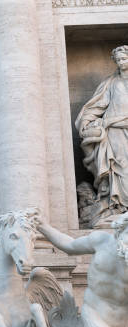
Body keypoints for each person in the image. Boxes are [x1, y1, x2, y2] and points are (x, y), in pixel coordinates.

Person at [37, 212, 128, 327]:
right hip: (97, 317)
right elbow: (69, 245)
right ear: (122, 227)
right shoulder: (101, 241)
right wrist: (43, 227)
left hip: (125, 323)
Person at [76, 45, 128, 211]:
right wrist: (87, 121)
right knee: (120, 167)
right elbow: (99, 105)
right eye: (118, 60)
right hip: (114, 131)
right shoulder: (111, 83)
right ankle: (119, 206)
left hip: (121, 124)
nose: (121, 62)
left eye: (124, 59)